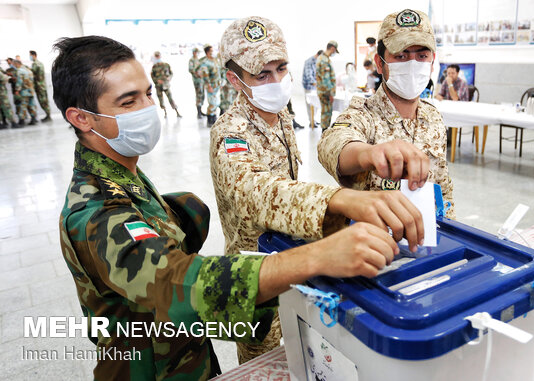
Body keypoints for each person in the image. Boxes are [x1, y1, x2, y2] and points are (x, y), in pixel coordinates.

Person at [53, 35, 402, 380]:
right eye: (128, 102)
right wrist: (318, 256)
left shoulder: (123, 173)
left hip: (183, 358)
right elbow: (176, 286)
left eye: (148, 94)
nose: (147, 109)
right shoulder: (96, 209)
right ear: (82, 118)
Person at [211, 16, 425, 364]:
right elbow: (256, 191)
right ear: (235, 79)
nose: (277, 81)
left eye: (281, 68)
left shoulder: (278, 116)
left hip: (296, 262)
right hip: (258, 279)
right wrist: (341, 200)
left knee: (304, 356)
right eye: (262, 75)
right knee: (266, 364)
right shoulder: (230, 133)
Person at [318, 9, 455, 219]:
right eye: (401, 56)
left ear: (432, 61)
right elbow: (332, 144)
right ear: (380, 63)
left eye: (421, 56)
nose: (412, 64)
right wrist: (369, 154)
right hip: (376, 242)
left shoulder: (433, 117)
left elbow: (443, 190)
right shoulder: (364, 115)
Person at [151, 51, 181, 118]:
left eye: (158, 55)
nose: (157, 57)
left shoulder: (166, 65)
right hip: (158, 86)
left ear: (160, 56)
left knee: (171, 99)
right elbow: (152, 76)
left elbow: (171, 73)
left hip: (166, 85)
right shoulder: (154, 67)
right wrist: (157, 81)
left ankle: (177, 112)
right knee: (161, 100)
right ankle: (165, 113)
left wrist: (169, 78)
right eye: (156, 56)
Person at [197, 44, 221, 126]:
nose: (213, 53)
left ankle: (214, 117)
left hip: (216, 85)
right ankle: (210, 120)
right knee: (212, 103)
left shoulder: (215, 60)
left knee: (215, 102)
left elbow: (219, 71)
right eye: (211, 51)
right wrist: (209, 86)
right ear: (207, 52)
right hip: (211, 86)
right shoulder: (205, 63)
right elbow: (205, 77)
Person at [316, 41, 338, 131]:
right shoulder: (324, 60)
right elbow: (325, 79)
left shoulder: (323, 58)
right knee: (326, 112)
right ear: (332, 48)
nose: (334, 53)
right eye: (335, 51)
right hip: (325, 91)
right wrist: (330, 94)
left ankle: (324, 131)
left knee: (326, 112)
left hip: (323, 90)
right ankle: (324, 132)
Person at [29, 50, 52, 122]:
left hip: (39, 86)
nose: (30, 57)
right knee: (44, 101)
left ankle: (48, 116)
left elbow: (32, 73)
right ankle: (48, 115)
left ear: (33, 55)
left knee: (43, 101)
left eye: (30, 55)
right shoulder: (40, 63)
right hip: (42, 86)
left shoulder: (35, 64)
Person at [13, 59, 38, 125]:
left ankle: (21, 121)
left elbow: (19, 81)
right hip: (31, 91)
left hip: (24, 92)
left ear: (16, 64)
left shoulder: (19, 71)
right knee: (31, 105)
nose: (13, 66)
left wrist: (17, 90)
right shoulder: (28, 70)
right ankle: (34, 119)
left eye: (14, 64)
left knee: (22, 106)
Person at [302, 50, 322, 128]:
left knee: (316, 103)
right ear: (318, 55)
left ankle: (314, 120)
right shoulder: (309, 62)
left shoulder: (317, 61)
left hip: (315, 86)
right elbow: (309, 76)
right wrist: (317, 84)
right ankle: (311, 122)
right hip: (309, 87)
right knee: (310, 104)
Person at [188, 47, 206, 119]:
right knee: (199, 95)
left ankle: (201, 111)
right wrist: (197, 74)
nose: (197, 53)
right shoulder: (192, 60)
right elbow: (191, 69)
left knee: (202, 95)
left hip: (202, 80)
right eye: (196, 52)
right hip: (197, 81)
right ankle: (198, 112)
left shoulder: (198, 59)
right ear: (194, 52)